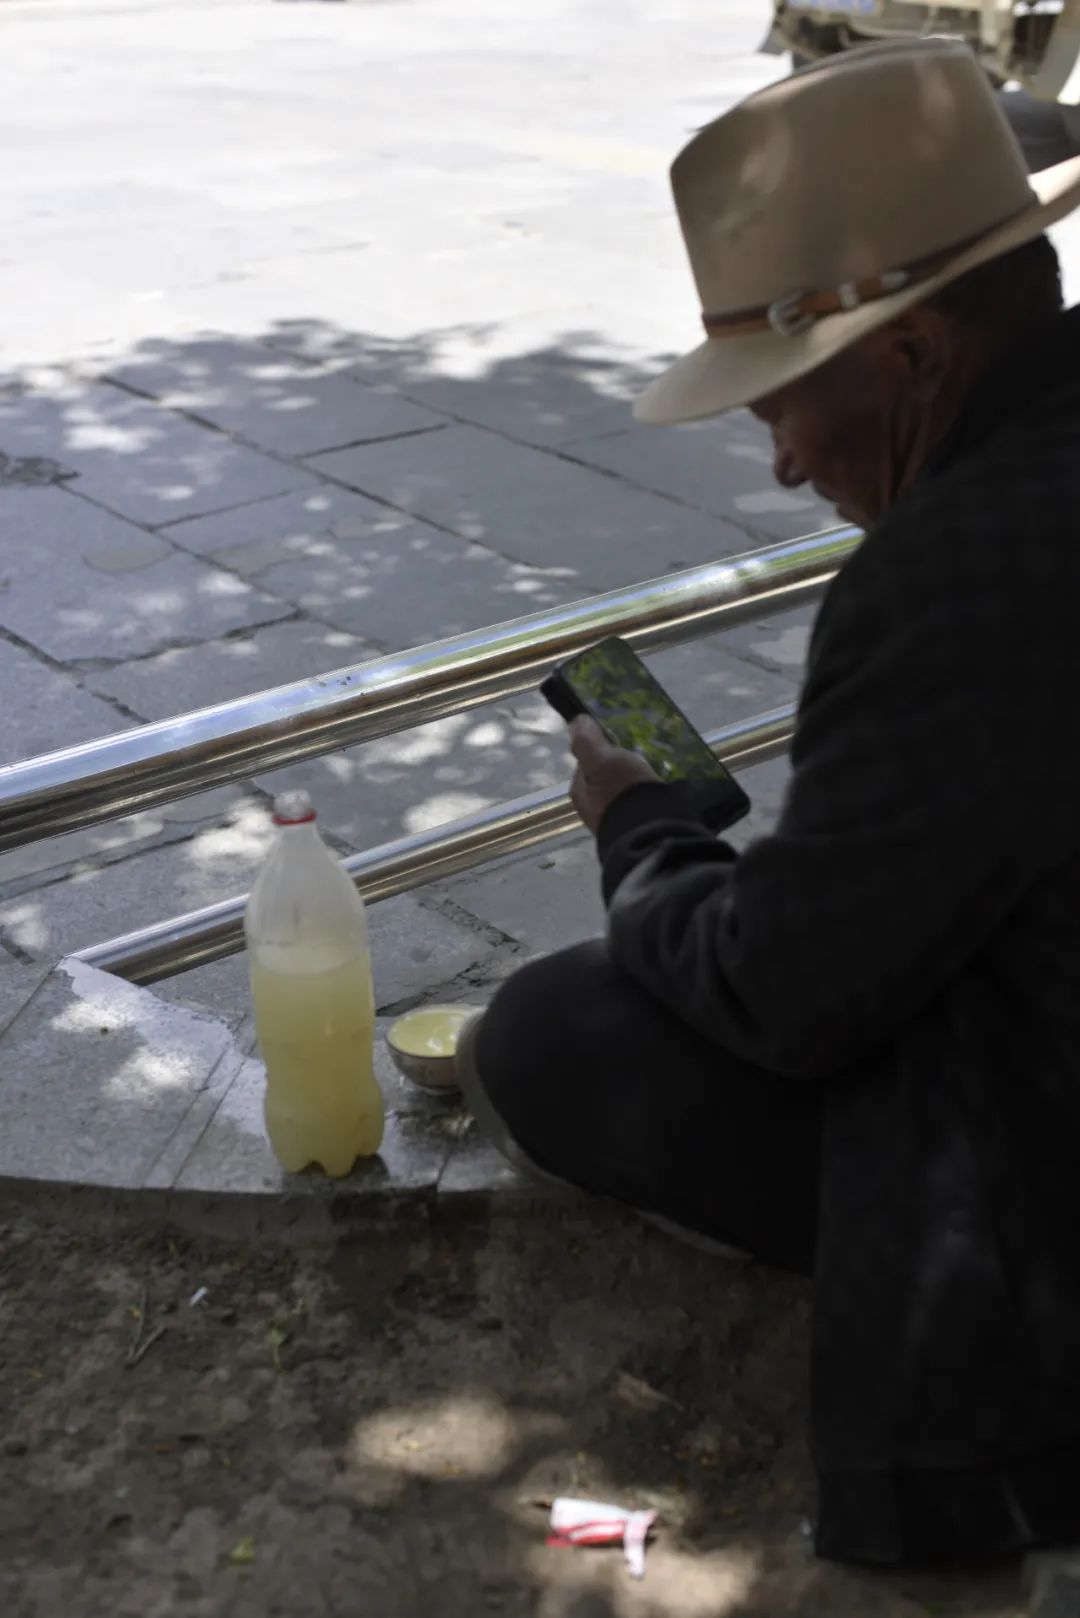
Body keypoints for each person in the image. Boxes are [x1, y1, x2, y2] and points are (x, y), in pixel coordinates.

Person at [457, 40, 1080, 1565]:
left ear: (912, 355)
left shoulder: (954, 573)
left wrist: (644, 836)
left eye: (781, 410)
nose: (789, 467)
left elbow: (790, 988)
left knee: (549, 1027)